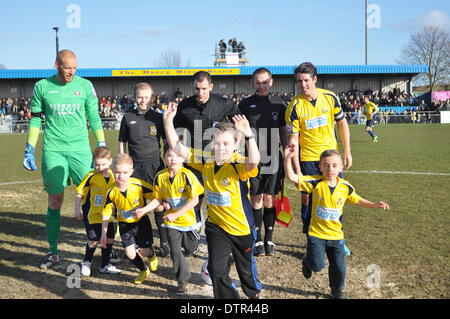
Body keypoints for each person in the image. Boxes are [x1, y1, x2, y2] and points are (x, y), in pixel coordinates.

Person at [164, 103, 263, 299]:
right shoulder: (206, 160)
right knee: (217, 271)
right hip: (216, 227)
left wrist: (249, 137)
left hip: (241, 229)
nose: (220, 147)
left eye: (226, 143)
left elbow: (254, 162)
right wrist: (168, 122)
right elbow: (178, 148)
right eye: (216, 142)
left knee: (245, 272)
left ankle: (254, 294)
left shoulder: (238, 164)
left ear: (236, 144)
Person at [22, 49, 106, 269]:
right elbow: (35, 121)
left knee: (92, 196)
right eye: (67, 67)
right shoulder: (42, 87)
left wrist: (102, 143)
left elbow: (94, 116)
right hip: (54, 150)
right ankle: (53, 251)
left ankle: (103, 246)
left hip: (80, 150)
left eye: (74, 68)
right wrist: (29, 148)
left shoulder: (85, 86)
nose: (71, 72)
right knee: (55, 200)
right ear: (56, 65)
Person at [284, 147, 390, 299]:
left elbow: (357, 199)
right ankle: (307, 262)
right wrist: (288, 158)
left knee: (339, 267)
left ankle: (337, 291)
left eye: (334, 165)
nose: (330, 169)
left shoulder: (345, 186)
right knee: (317, 266)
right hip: (316, 233)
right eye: (325, 165)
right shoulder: (314, 182)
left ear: (341, 167)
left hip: (336, 235)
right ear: (320, 167)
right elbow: (292, 177)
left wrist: (374, 204)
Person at [285, 62, 352, 243]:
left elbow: (342, 123)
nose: (303, 85)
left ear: (315, 79)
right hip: (308, 159)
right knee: (309, 199)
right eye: (299, 81)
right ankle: (311, 237)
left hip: (331, 159)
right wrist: (297, 169)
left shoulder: (330, 97)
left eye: (306, 80)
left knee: (336, 197)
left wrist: (347, 150)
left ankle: (338, 239)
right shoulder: (294, 107)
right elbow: (293, 142)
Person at [238, 67, 288, 256]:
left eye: (265, 82)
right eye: (258, 82)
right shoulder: (244, 104)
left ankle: (269, 237)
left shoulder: (279, 103)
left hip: (273, 157)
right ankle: (257, 238)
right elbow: (237, 130)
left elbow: (283, 129)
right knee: (256, 198)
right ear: (252, 83)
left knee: (269, 199)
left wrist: (287, 150)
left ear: (271, 82)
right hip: (252, 158)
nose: (261, 86)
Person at [118, 82, 170, 257]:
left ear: (151, 98)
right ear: (135, 97)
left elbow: (165, 142)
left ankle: (164, 242)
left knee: (159, 205)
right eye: (140, 97)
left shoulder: (157, 117)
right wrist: (122, 161)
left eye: (146, 97)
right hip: (135, 168)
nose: (143, 100)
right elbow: (122, 141)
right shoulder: (127, 118)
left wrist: (168, 161)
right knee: (137, 205)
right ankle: (141, 241)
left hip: (155, 166)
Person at [152, 144, 205, 294]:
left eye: (176, 155)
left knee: (189, 248)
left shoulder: (188, 175)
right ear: (164, 158)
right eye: (169, 155)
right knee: (175, 251)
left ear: (183, 158)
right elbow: (158, 201)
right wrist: (161, 205)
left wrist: (176, 213)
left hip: (188, 221)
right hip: (171, 222)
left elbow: (195, 200)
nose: (173, 158)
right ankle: (182, 279)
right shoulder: (160, 177)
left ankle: (194, 236)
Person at [100, 153, 160, 284]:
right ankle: (144, 270)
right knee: (130, 254)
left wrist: (145, 209)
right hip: (124, 225)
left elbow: (157, 198)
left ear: (131, 172)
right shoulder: (111, 191)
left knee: (144, 252)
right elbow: (106, 213)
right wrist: (103, 233)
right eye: (117, 172)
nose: (121, 176)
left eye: (125, 172)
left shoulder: (139, 185)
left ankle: (151, 255)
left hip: (141, 224)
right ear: (113, 171)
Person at [74, 146, 121, 276]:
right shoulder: (91, 176)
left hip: (107, 215)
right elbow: (79, 193)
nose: (100, 168)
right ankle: (86, 262)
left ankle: (105, 265)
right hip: (92, 214)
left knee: (109, 238)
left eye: (103, 164)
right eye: (97, 165)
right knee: (94, 240)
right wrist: (77, 209)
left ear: (110, 161)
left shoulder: (113, 176)